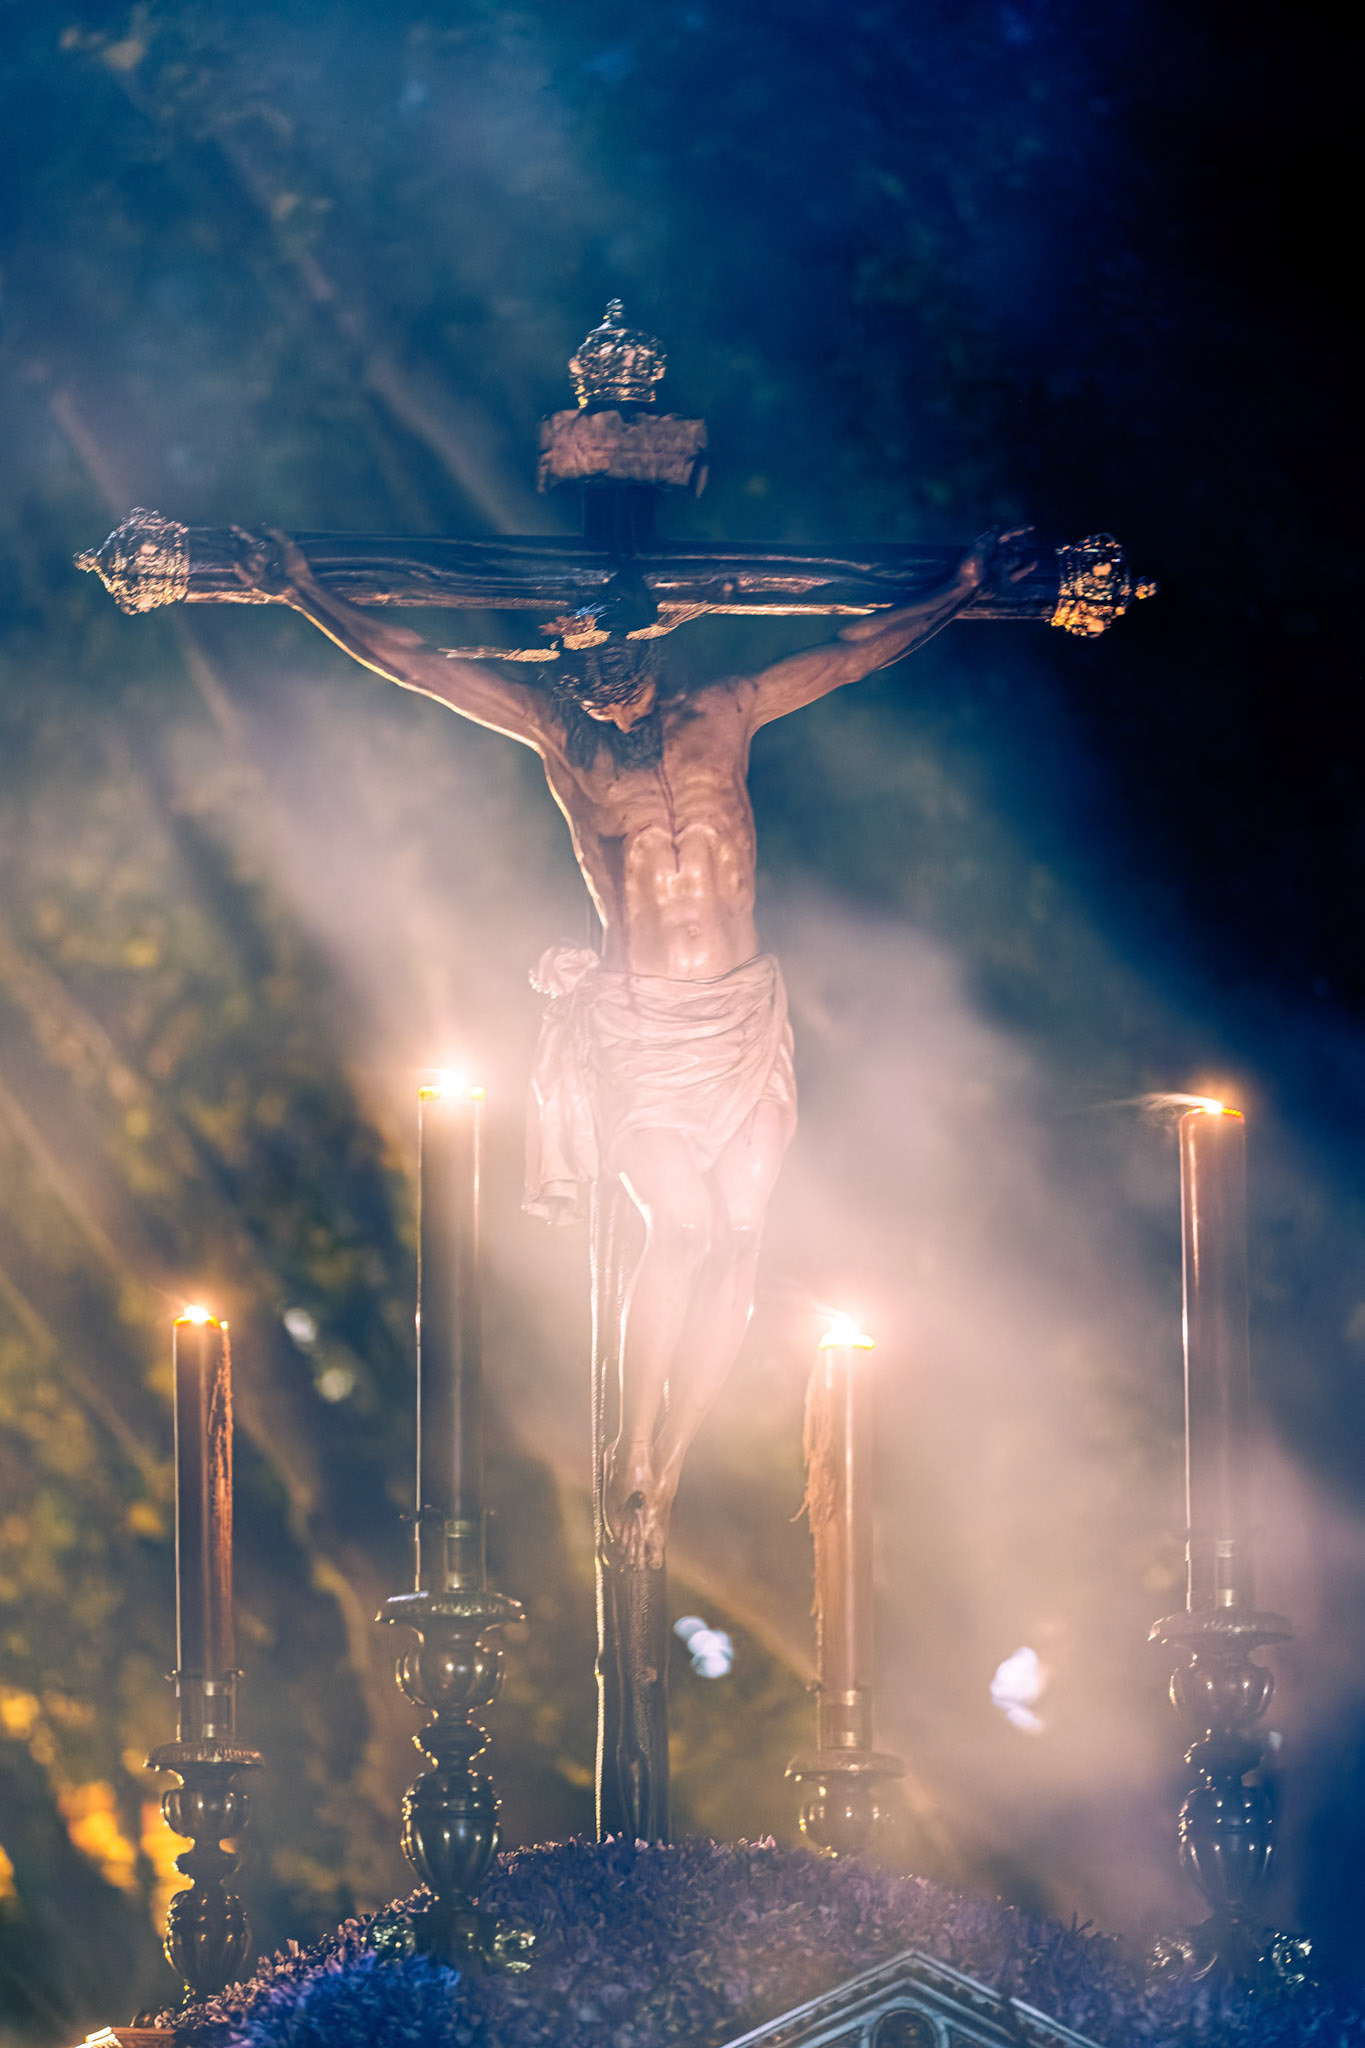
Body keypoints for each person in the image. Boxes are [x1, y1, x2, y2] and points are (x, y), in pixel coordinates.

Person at [237, 524, 1033, 1566]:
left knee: (741, 1237)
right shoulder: (556, 733)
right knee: (686, 1229)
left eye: (624, 658)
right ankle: (631, 1446)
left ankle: (666, 1462)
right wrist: (304, 593)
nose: (608, 681)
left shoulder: (727, 712)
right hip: (647, 1033)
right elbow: (416, 663)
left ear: (659, 645)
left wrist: (962, 587)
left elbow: (853, 650)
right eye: (588, 663)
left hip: (743, 1015)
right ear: (566, 659)